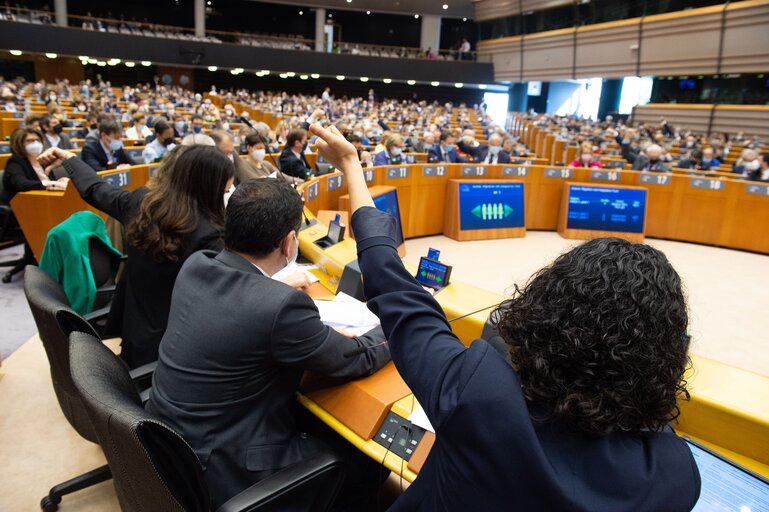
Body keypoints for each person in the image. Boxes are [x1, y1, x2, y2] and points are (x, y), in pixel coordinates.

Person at [309, 122, 701, 511]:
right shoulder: (675, 475)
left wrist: (351, 167)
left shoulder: (479, 392)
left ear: (543, 309)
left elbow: (390, 280)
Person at [146, 178, 390, 509]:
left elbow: (244, 302)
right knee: (367, 460)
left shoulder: (197, 265)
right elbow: (353, 359)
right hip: (224, 467)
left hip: (169, 446)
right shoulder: (278, 308)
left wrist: (276, 289)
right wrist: (395, 327)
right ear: (290, 243)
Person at [37, 144, 234, 368]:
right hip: (176, 351)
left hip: (134, 331)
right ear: (210, 189)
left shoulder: (142, 202)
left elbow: (94, 188)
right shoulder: (210, 234)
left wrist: (70, 159)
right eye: (225, 191)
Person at [1, 127, 69, 203]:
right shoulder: (15, 161)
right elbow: (22, 184)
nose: (35, 143)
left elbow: (48, 181)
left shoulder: (42, 159)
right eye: (29, 141)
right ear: (19, 143)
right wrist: (50, 184)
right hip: (21, 204)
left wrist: (59, 182)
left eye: (38, 140)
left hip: (44, 200)